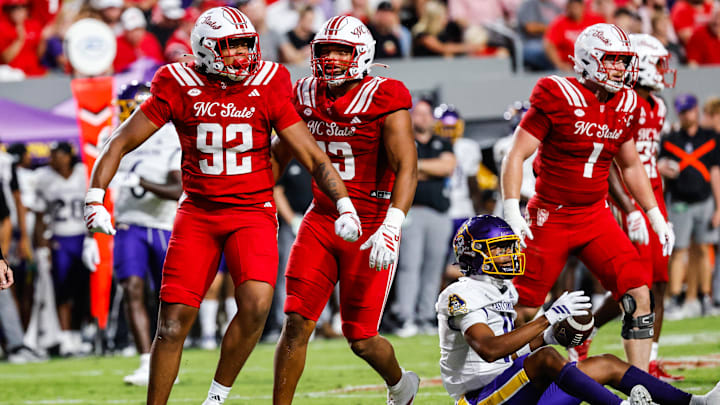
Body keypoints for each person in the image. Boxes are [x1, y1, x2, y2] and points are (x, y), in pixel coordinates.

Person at [83, 7, 361, 405]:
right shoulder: (177, 82)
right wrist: (96, 197)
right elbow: (119, 141)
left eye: (246, 45)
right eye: (231, 47)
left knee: (256, 305)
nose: (241, 55)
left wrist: (343, 202)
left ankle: (215, 397)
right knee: (173, 325)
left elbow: (311, 153)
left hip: (252, 211)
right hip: (198, 212)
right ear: (205, 49)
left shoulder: (269, 81)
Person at [500, 23, 674, 371]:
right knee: (524, 310)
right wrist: (511, 209)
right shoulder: (557, 94)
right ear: (588, 59)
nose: (620, 69)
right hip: (550, 215)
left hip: (596, 216)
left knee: (639, 296)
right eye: (611, 60)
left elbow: (632, 164)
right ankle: (518, 378)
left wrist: (654, 214)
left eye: (624, 61)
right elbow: (515, 155)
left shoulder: (626, 101)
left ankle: (640, 385)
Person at [272, 15, 420, 405]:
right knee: (297, 322)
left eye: (342, 50)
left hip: (373, 222)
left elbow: (408, 167)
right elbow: (280, 154)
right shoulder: (303, 92)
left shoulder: (385, 95)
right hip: (322, 217)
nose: (333, 58)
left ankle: (400, 383)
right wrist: (254, 199)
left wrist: (392, 224)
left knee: (362, 339)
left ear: (363, 54)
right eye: (325, 50)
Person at [437, 214, 720, 405]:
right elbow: (490, 350)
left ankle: (695, 403)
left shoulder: (503, 288)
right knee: (546, 358)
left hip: (514, 388)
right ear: (473, 254)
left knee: (606, 362)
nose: (509, 254)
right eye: (499, 249)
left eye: (509, 247)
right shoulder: (458, 294)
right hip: (480, 398)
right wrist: (547, 320)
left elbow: (510, 352)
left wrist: (547, 336)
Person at [583, 34, 683, 382]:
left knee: (660, 281)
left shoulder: (659, 104)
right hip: (628, 196)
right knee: (634, 282)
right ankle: (587, 329)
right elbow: (612, 158)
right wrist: (629, 207)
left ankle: (651, 361)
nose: (662, 71)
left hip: (654, 192)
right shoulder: (625, 102)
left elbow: (644, 155)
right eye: (657, 63)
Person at [112, 81, 183, 386]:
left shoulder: (169, 135)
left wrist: (142, 183)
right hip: (128, 223)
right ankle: (145, 361)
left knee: (169, 297)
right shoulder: (113, 135)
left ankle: (166, 359)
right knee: (132, 288)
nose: (129, 115)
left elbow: (178, 188)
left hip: (164, 224)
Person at [390, 98, 455, 338]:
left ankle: (427, 316)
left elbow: (447, 167)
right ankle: (405, 317)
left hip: (438, 213)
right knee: (409, 265)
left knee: (434, 267)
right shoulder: (404, 140)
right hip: (411, 211)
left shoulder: (442, 142)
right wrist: (426, 168)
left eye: (427, 113)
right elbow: (400, 168)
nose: (423, 118)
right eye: (419, 113)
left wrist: (415, 168)